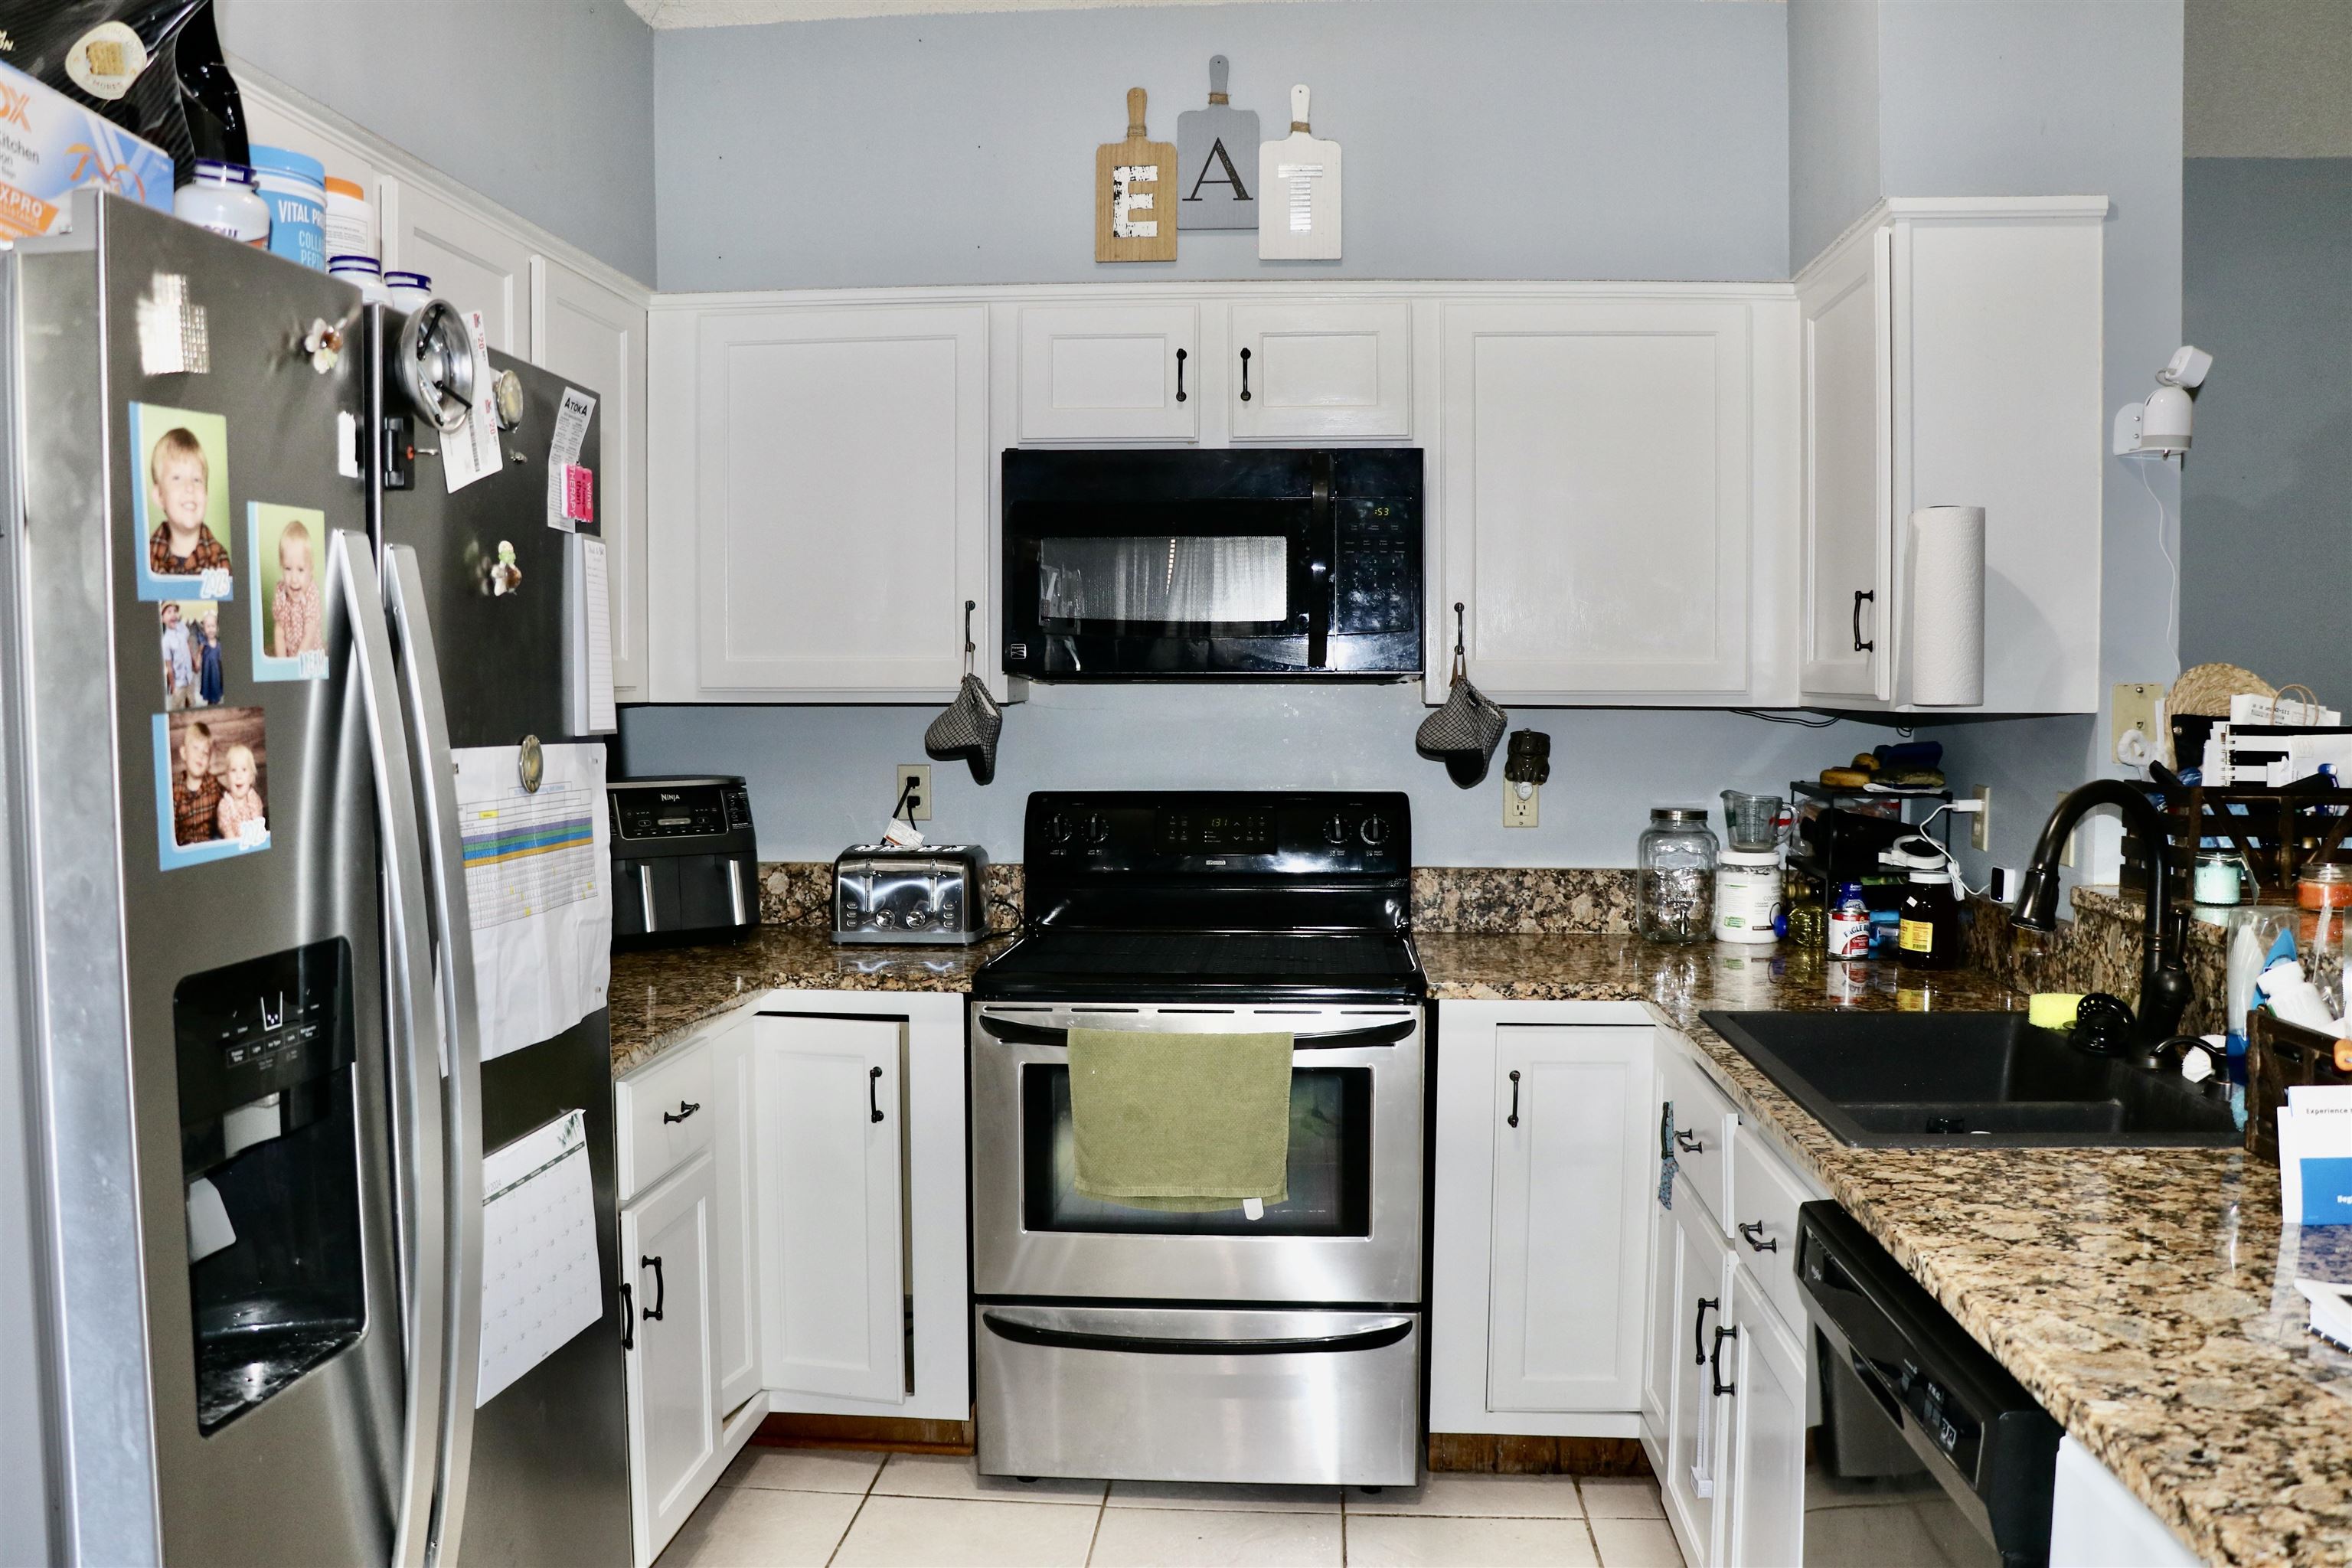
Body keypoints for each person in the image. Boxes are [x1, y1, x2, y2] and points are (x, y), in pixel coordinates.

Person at [145, 426, 230, 581]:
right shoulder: (147, 557)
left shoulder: (218, 557)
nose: (190, 488)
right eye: (177, 478)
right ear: (159, 496)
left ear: (206, 494)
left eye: (197, 479)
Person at [272, 519, 322, 658]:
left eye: (300, 570)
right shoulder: (281, 592)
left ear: (310, 570)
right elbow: (279, 631)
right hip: (290, 657)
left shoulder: (312, 593)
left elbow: (310, 632)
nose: (294, 579)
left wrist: (298, 662)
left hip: (309, 657)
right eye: (288, 569)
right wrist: (282, 662)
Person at [171, 720, 219, 848]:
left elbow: (229, 803)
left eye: (205, 752)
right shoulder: (175, 792)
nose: (200, 755)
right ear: (184, 753)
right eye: (196, 748)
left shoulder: (213, 784)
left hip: (209, 848)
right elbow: (171, 834)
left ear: (209, 761)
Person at [214, 742, 266, 843]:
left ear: (251, 777)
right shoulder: (225, 805)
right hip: (235, 847)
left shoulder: (253, 799)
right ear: (227, 778)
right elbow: (230, 838)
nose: (239, 775)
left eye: (244, 770)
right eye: (233, 770)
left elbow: (257, 829)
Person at [158, 603, 194, 710]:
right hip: (179, 683)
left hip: (190, 678)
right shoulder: (166, 641)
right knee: (178, 707)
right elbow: (169, 667)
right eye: (169, 612)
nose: (173, 614)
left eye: (175, 611)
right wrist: (173, 687)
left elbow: (188, 645)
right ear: (162, 619)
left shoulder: (182, 627)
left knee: (192, 703)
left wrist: (194, 662)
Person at [195, 606, 224, 707]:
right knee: (210, 695)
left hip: (217, 675)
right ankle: (210, 704)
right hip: (208, 674)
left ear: (217, 627)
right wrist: (198, 662)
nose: (211, 629)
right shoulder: (204, 643)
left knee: (217, 694)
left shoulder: (219, 644)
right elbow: (199, 653)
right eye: (208, 627)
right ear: (204, 628)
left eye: (213, 626)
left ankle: (216, 702)